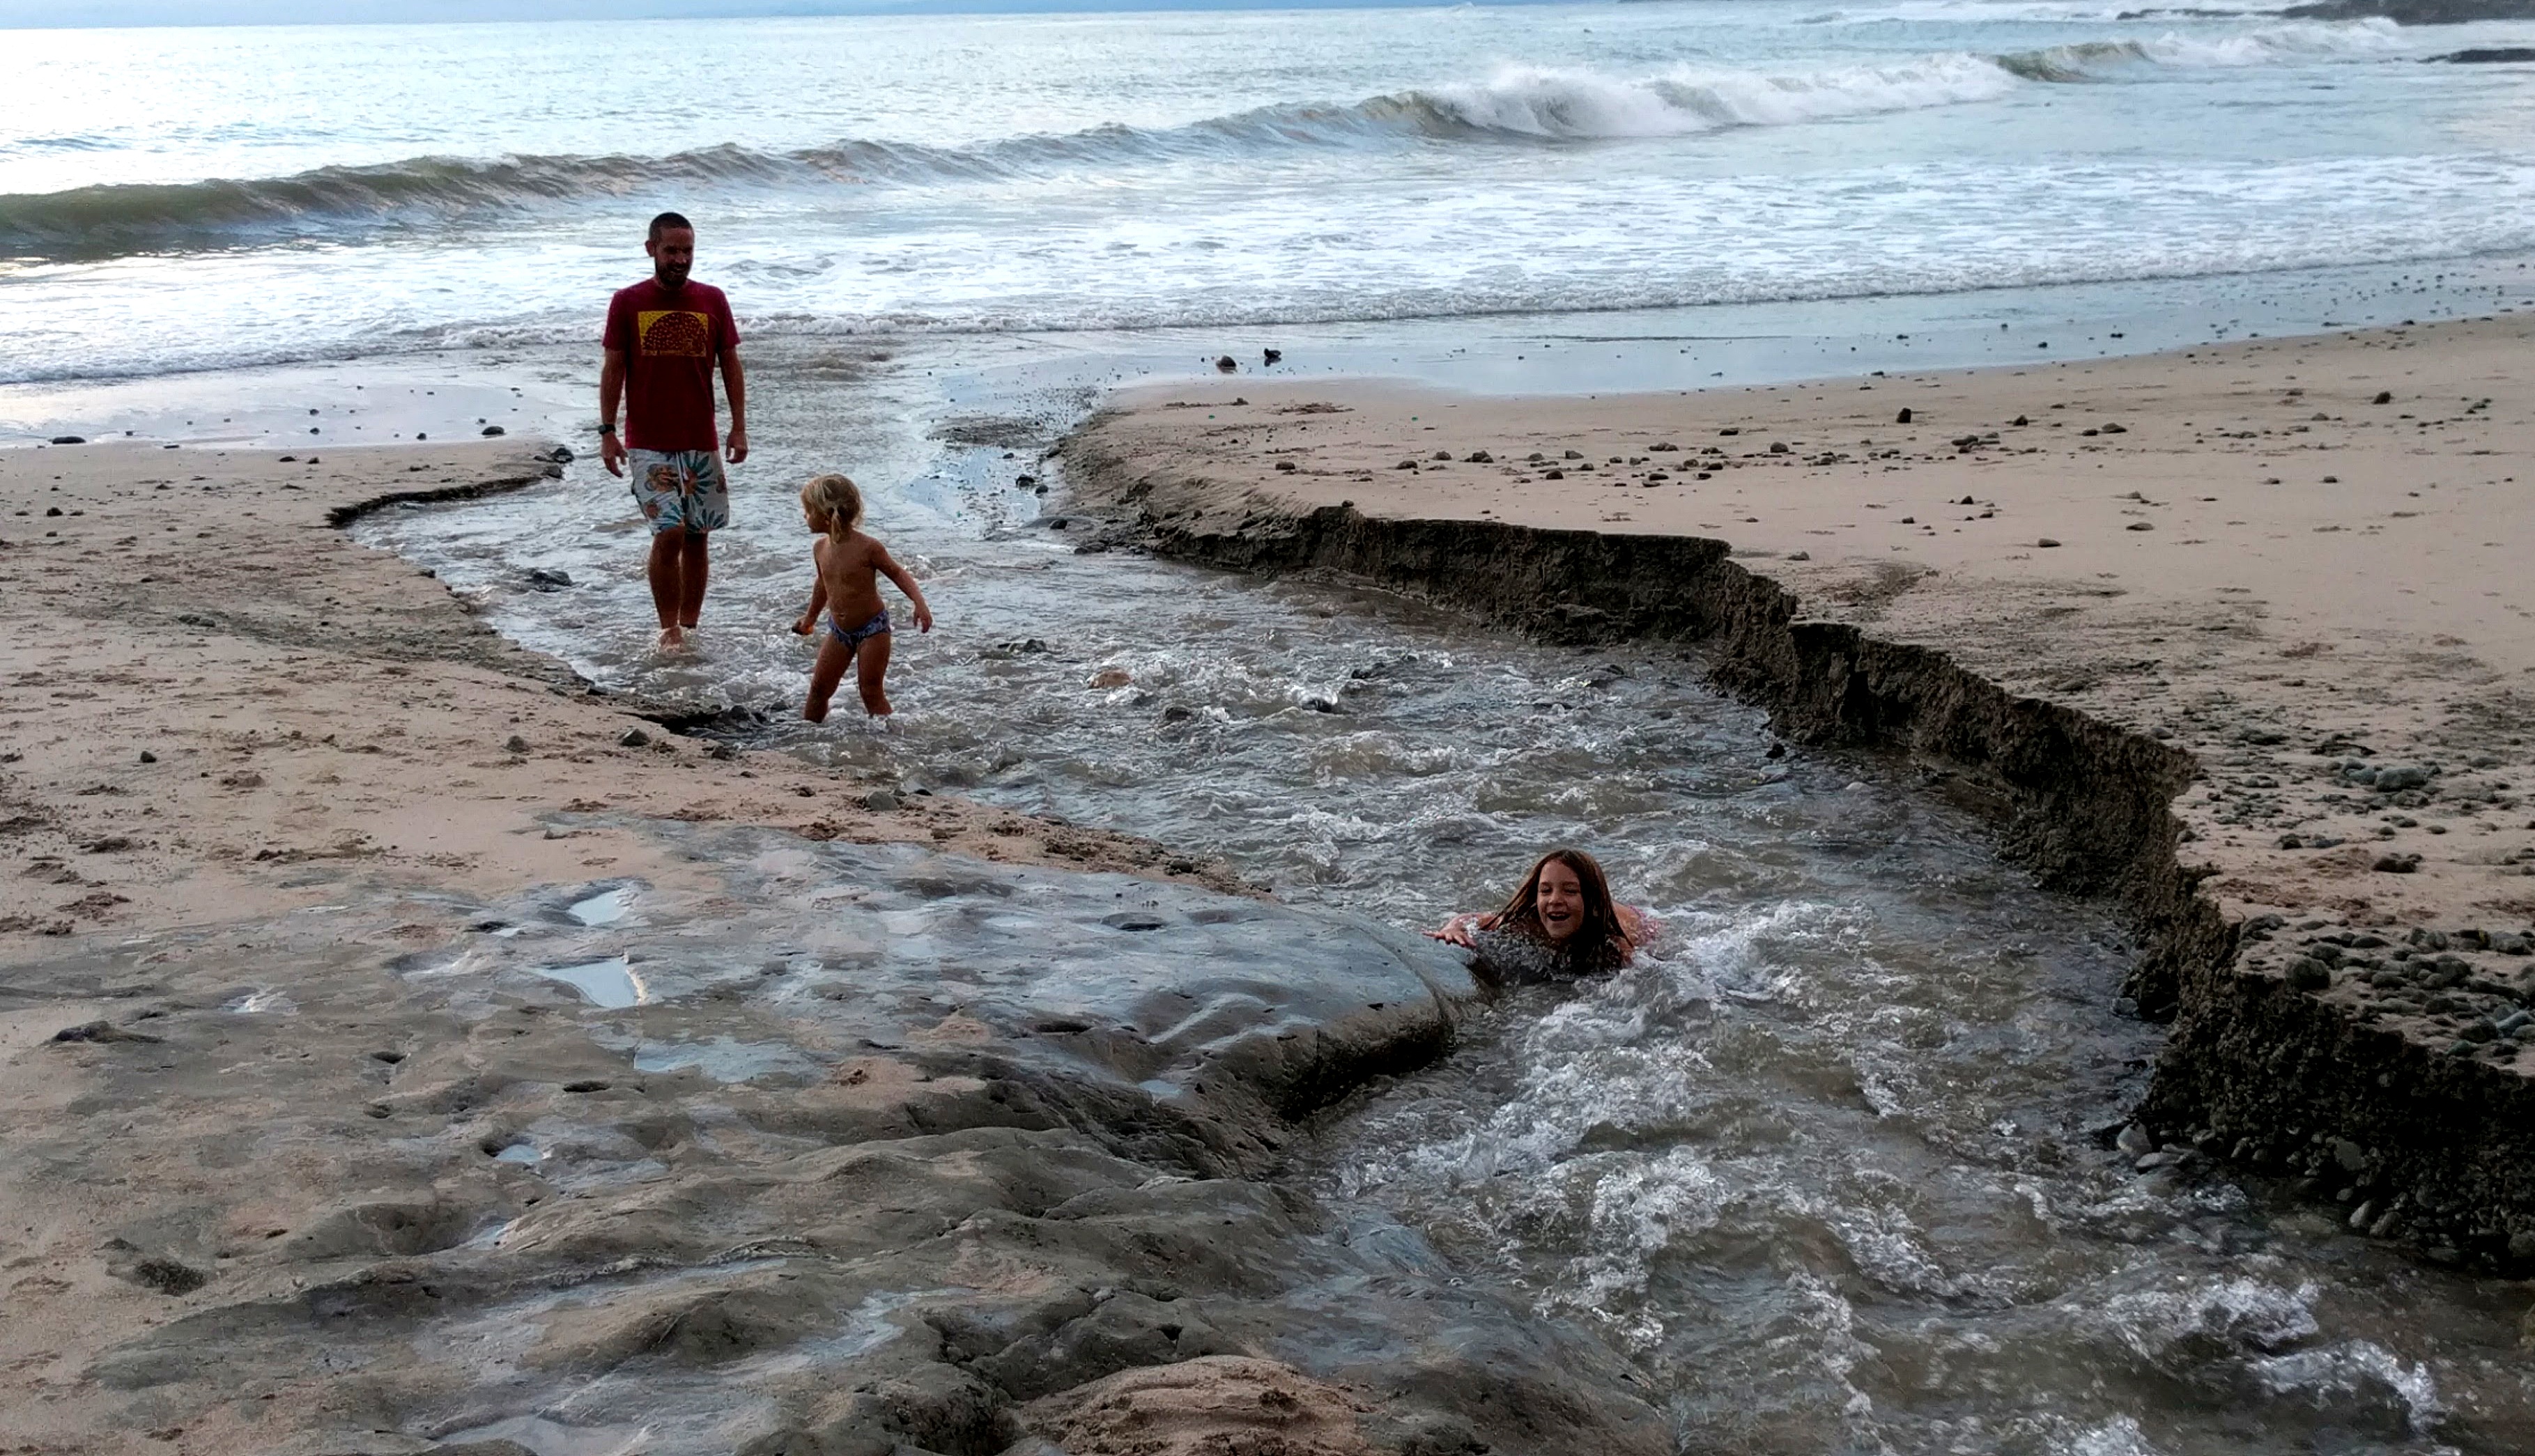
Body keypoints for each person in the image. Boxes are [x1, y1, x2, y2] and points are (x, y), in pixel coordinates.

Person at [599, 210, 748, 653]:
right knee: (670, 532)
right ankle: (669, 629)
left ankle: (690, 626)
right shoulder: (627, 302)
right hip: (648, 441)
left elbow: (731, 365)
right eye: (671, 251)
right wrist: (607, 431)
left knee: (698, 534)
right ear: (652, 249)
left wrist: (739, 427)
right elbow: (613, 369)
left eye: (687, 251)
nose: (680, 259)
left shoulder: (713, 300)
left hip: (701, 437)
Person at [790, 473, 934, 720]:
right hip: (839, 631)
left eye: (808, 511)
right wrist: (810, 618)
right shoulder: (820, 548)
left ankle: (889, 737)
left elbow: (898, 573)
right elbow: (823, 585)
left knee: (870, 691)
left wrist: (919, 602)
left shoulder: (868, 547)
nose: (805, 516)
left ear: (826, 515)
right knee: (818, 689)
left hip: (873, 630)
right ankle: (807, 733)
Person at [1428, 847, 1652, 980]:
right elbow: (1474, 919)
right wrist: (1452, 928)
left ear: (1592, 902)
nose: (1555, 900)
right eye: (1545, 891)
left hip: (1639, 922)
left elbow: (1643, 974)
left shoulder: (1614, 940)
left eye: (1570, 891)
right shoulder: (1529, 922)